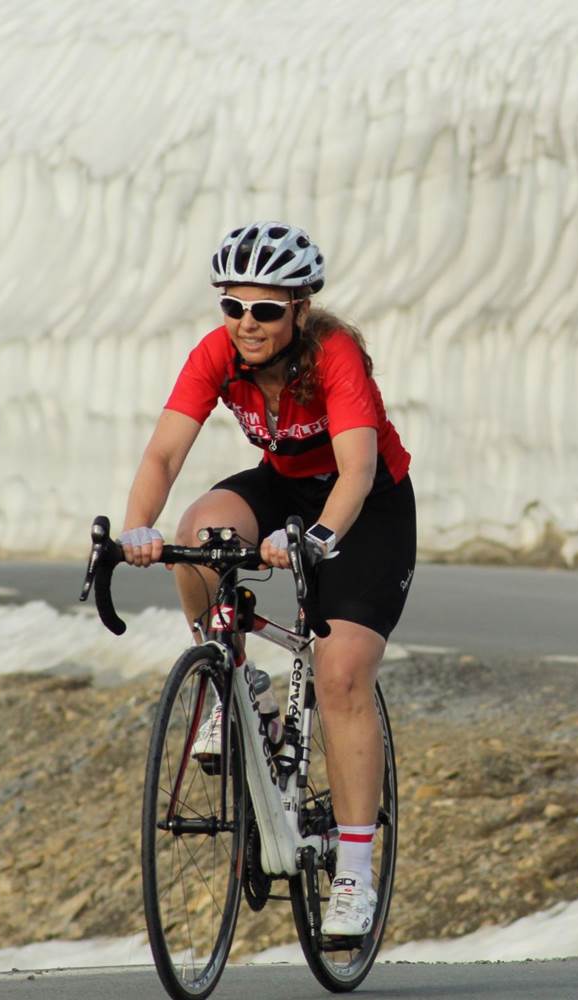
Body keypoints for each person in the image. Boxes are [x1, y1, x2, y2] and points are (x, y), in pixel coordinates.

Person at [117, 221, 416, 937]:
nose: (246, 324)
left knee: (341, 672)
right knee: (198, 536)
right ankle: (236, 681)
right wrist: (137, 528)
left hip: (364, 508)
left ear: (300, 310)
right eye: (233, 306)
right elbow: (163, 454)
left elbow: (359, 471)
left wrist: (315, 541)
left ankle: (352, 874)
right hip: (282, 486)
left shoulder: (334, 355)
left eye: (265, 310)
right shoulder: (220, 353)